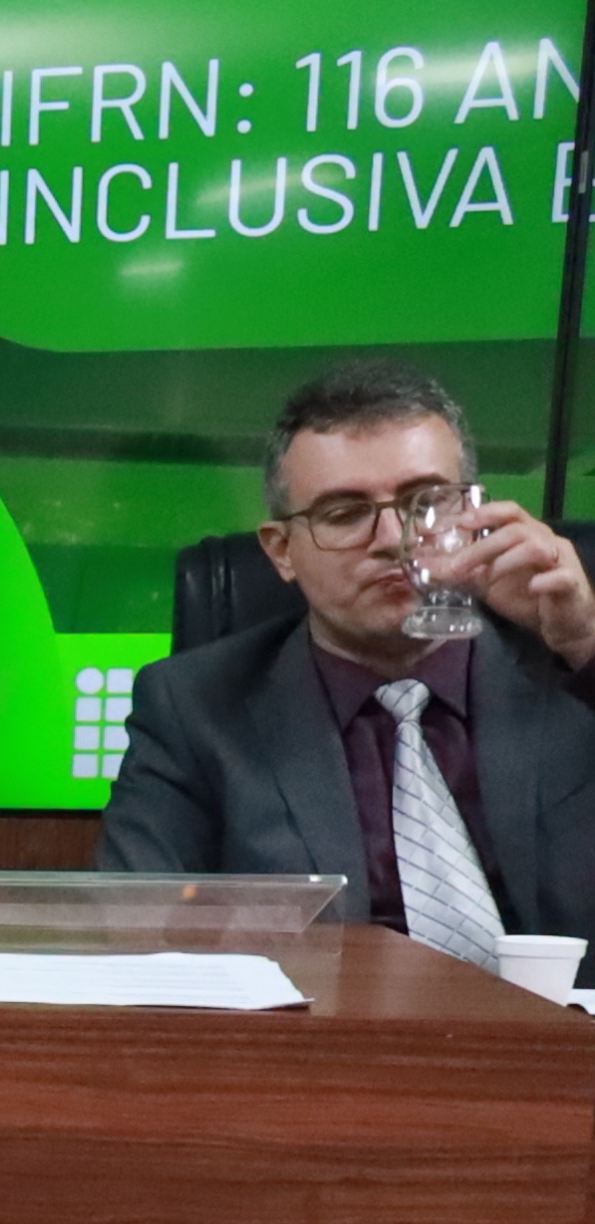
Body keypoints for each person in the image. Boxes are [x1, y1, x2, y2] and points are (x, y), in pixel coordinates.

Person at [100, 359, 595, 968]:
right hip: (319, 1024)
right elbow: (134, 928)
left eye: (424, 503)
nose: (392, 539)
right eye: (344, 513)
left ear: (475, 518)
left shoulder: (568, 667)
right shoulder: (195, 709)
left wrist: (586, 645)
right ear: (282, 551)